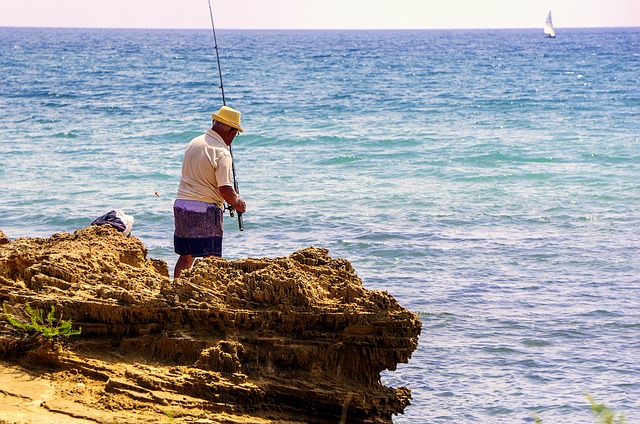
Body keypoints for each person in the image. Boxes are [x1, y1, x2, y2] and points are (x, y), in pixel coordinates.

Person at [173, 106, 246, 278]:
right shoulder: (222, 152)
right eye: (236, 133)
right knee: (212, 259)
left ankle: (175, 288)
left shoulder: (194, 142)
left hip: (181, 205)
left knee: (186, 257)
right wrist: (237, 203)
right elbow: (225, 189)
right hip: (203, 211)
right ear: (231, 131)